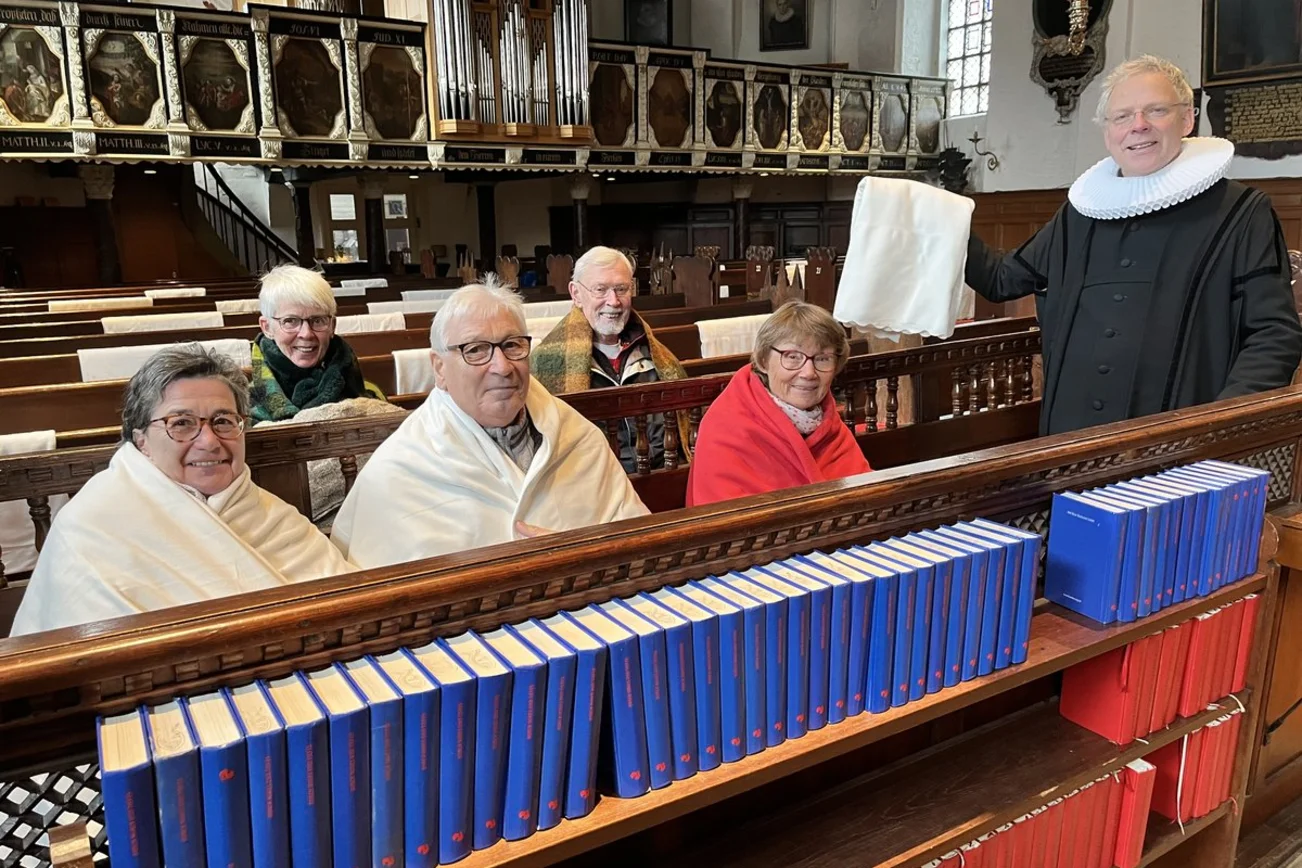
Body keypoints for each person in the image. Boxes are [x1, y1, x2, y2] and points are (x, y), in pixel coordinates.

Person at [966, 55, 1302, 437]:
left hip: (1181, 449)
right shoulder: (1081, 213)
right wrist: (931, 216)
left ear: (1188, 119)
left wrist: (1219, 431)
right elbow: (1001, 279)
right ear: (1107, 131)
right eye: (1122, 116)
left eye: (1156, 110)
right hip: (1068, 443)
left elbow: (1273, 334)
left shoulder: (1242, 213)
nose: (1138, 126)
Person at [9, 346, 355, 637]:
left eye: (223, 421)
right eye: (181, 423)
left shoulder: (275, 517)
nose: (208, 441)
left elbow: (354, 609)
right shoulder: (90, 526)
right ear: (140, 439)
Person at [330, 279, 649, 569]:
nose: (502, 367)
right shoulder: (398, 469)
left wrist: (582, 558)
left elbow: (642, 547)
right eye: (476, 350)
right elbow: (371, 602)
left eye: (512, 345)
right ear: (439, 368)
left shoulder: (579, 437)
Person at [687, 301, 870, 506]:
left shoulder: (830, 424)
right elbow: (726, 523)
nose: (809, 373)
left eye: (822, 358)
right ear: (764, 361)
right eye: (792, 357)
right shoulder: (725, 427)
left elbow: (868, 498)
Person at [532, 246, 692, 472]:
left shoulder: (656, 352)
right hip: (596, 485)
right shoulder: (547, 360)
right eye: (601, 290)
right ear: (576, 294)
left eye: (621, 289)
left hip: (664, 473)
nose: (614, 301)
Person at [251, 263, 384, 422]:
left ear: (332, 326)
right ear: (267, 327)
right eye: (290, 321)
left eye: (318, 320)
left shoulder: (368, 395)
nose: (306, 334)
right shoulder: (242, 404)